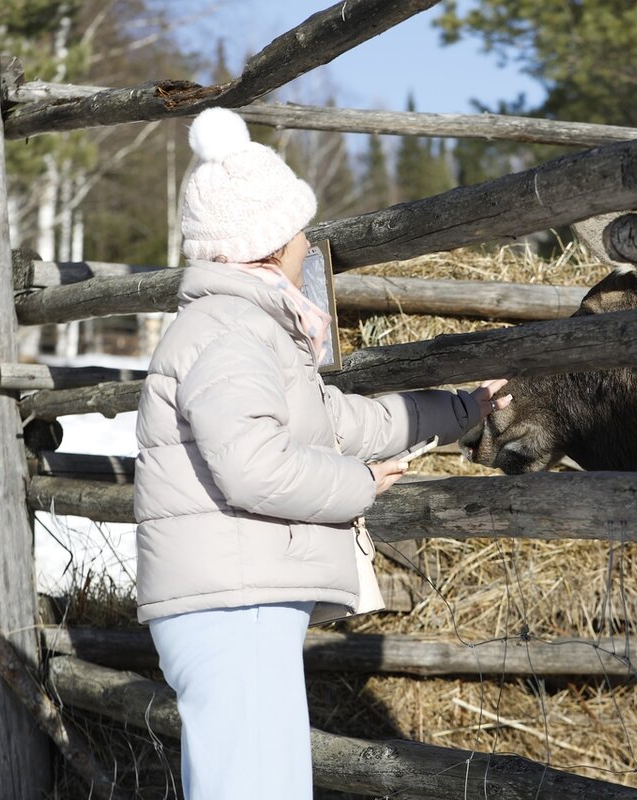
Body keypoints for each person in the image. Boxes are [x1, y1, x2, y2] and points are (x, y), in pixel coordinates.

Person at [133, 107, 510, 799]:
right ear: (270, 242)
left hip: (238, 592)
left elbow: (337, 420)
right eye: (299, 228)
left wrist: (461, 411)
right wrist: (360, 483)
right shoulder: (232, 330)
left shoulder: (242, 326)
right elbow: (252, 465)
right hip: (233, 596)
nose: (308, 242)